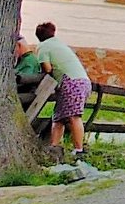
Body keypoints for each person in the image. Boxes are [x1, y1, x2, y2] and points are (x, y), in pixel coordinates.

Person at [34, 20, 90, 156]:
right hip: (83, 81)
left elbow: (47, 68)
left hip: (71, 82)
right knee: (59, 117)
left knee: (73, 116)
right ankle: (54, 147)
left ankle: (78, 150)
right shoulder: (59, 44)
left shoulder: (43, 47)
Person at [13, 34, 44, 107]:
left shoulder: (29, 61)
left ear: (19, 45)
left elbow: (24, 81)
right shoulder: (25, 59)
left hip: (24, 96)